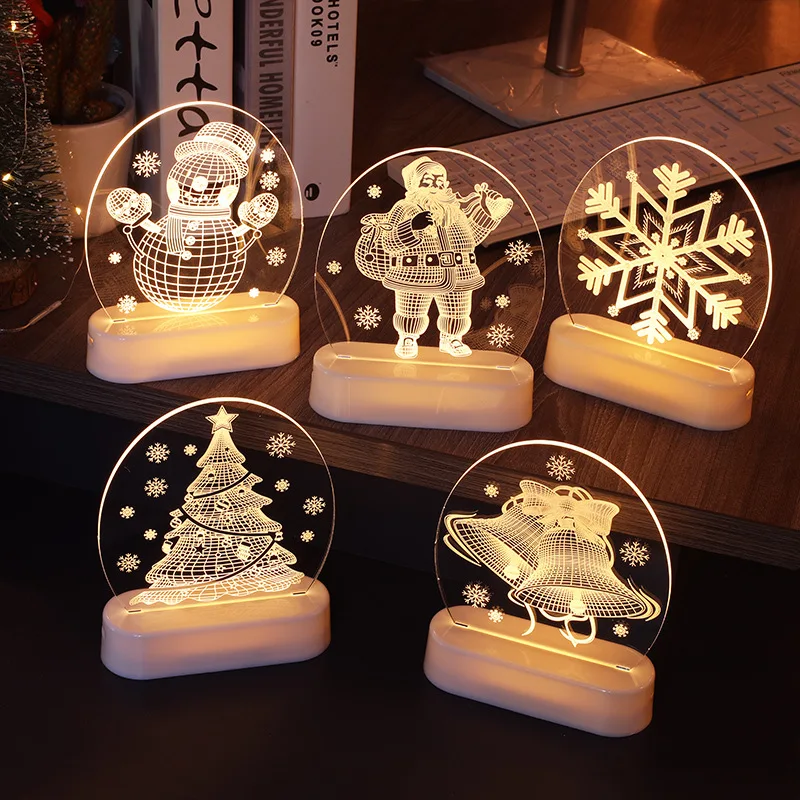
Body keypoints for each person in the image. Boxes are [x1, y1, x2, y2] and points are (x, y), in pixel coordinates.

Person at [355, 156, 513, 359]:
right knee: (411, 309)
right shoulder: (405, 208)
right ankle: (407, 338)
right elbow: (390, 243)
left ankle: (452, 338)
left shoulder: (454, 211)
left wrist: (489, 215)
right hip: (416, 272)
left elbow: (470, 239)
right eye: (427, 181)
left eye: (439, 181)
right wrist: (412, 227)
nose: (434, 186)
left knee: (457, 311)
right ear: (414, 184)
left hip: (458, 272)